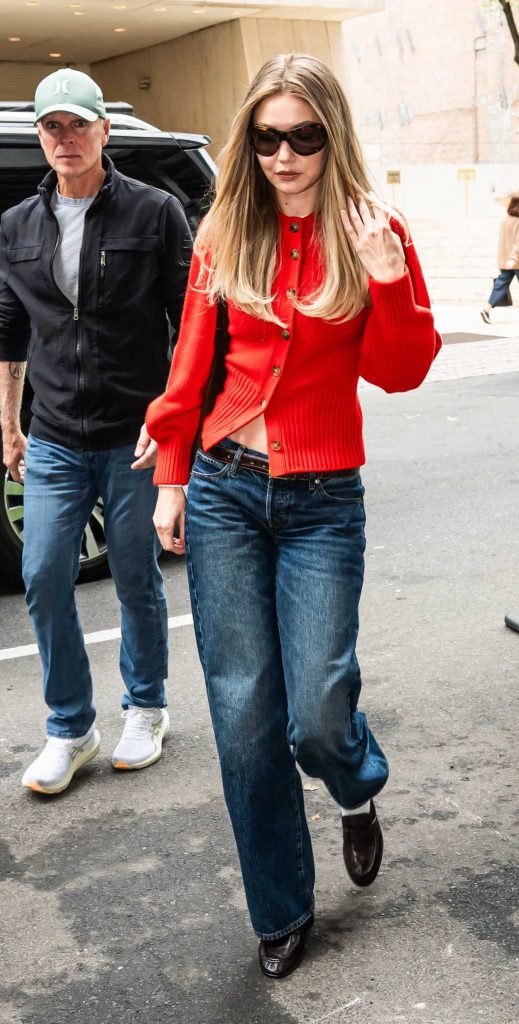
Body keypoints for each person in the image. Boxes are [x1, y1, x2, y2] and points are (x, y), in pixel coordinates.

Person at [146, 53, 441, 978]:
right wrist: (171, 472)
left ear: (332, 135)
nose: (282, 155)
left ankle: (354, 785)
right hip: (229, 490)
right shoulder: (225, 228)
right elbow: (191, 365)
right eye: (267, 137)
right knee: (243, 721)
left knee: (314, 714)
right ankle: (279, 908)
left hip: (321, 502)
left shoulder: (372, 230)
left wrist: (388, 278)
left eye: (302, 137)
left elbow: (401, 370)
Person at [0, 69, 192, 795]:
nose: (65, 138)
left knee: (136, 576)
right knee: (44, 575)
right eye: (52, 127)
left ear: (103, 131)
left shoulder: (155, 212)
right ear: (41, 137)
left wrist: (176, 426)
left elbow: (187, 325)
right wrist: (8, 426)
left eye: (78, 124)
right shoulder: (16, 225)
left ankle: (146, 707)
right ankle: (70, 728)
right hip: (52, 435)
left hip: (134, 433)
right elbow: (9, 331)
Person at [481, 195, 519, 322]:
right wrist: (514, 259)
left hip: (505, 261)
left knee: (500, 285)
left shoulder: (505, 221)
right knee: (501, 284)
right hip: (516, 261)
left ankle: (487, 308)